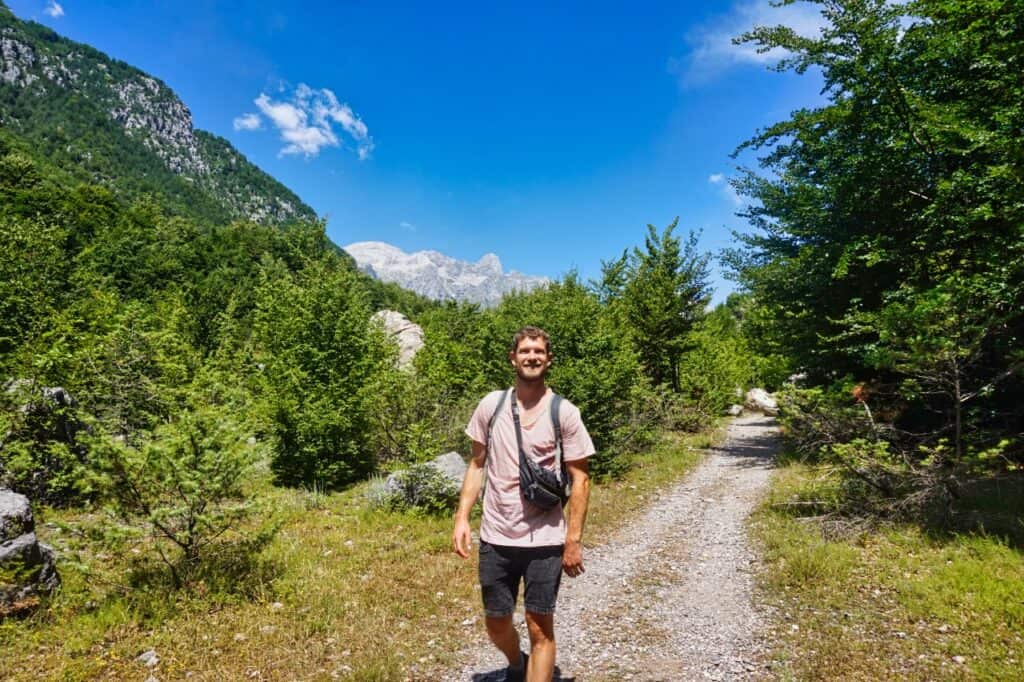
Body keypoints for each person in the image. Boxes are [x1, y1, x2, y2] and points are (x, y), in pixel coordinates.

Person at [452, 326, 594, 682]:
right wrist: (462, 518)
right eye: (526, 351)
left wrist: (572, 540)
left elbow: (581, 479)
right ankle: (517, 664)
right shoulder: (491, 405)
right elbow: (476, 464)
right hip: (496, 536)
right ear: (512, 358)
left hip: (545, 540)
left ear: (549, 360)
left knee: (539, 625)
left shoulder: (564, 412)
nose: (532, 356)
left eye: (539, 352)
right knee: (497, 622)